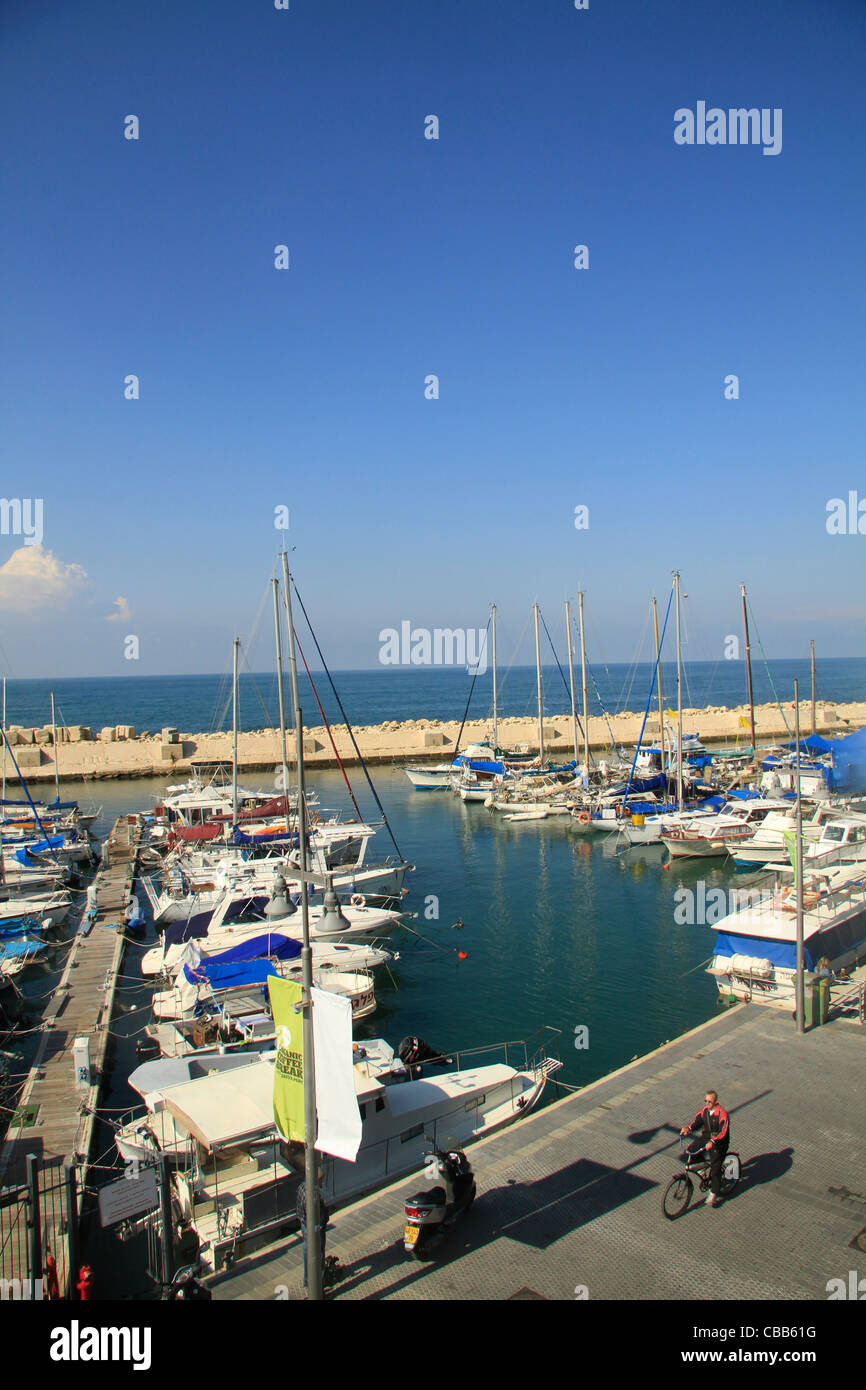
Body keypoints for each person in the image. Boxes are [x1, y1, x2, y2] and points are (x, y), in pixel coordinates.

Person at [680, 1089, 730, 1207]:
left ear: (716, 1102)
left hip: (719, 1142)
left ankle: (713, 1192)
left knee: (715, 1167)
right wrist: (688, 1128)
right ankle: (701, 1169)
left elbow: (723, 1131)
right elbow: (696, 1122)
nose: (707, 1104)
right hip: (706, 1137)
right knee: (691, 1150)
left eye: (710, 1102)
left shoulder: (722, 1114)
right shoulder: (705, 1111)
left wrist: (713, 1141)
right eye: (705, 1101)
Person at [296, 1169, 329, 1291]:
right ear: (317, 1180)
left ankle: (307, 1279)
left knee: (306, 1250)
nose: (322, 1182)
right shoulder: (314, 1195)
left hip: (303, 1223)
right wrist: (322, 1223)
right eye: (321, 1180)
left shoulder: (301, 1187)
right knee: (318, 1254)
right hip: (313, 1228)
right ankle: (318, 1284)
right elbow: (317, 1215)